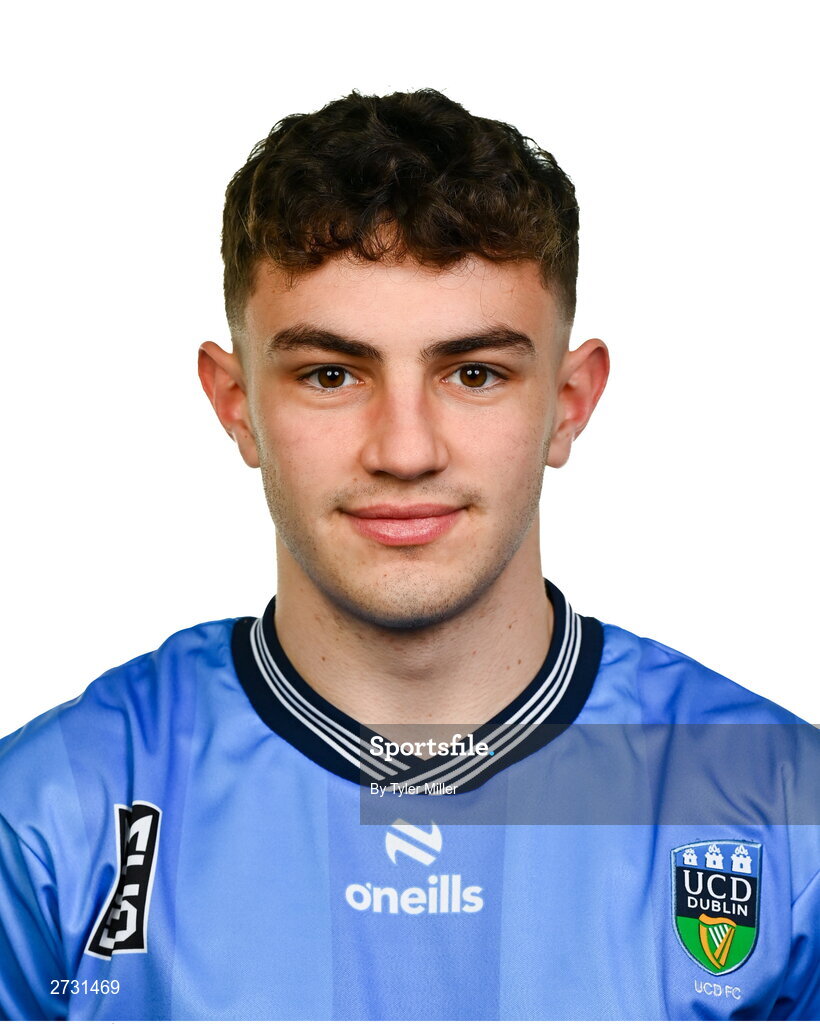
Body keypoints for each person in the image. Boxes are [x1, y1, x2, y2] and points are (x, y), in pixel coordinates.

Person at [0, 89, 816, 1022]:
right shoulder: (53, 813)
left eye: (474, 373)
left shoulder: (782, 805)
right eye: (331, 374)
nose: (405, 449)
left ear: (568, 402)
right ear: (237, 405)